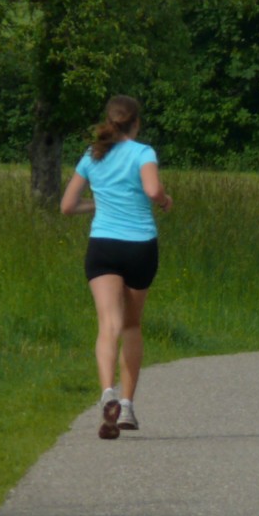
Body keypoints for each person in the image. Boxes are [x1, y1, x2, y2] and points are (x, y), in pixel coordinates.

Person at [61, 95, 173, 440]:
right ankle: (126, 405)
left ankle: (106, 391)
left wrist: (99, 202)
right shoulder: (143, 153)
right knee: (131, 325)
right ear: (136, 123)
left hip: (103, 246)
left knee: (107, 323)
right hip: (139, 246)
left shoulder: (92, 155)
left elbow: (67, 206)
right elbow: (152, 188)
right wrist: (165, 200)